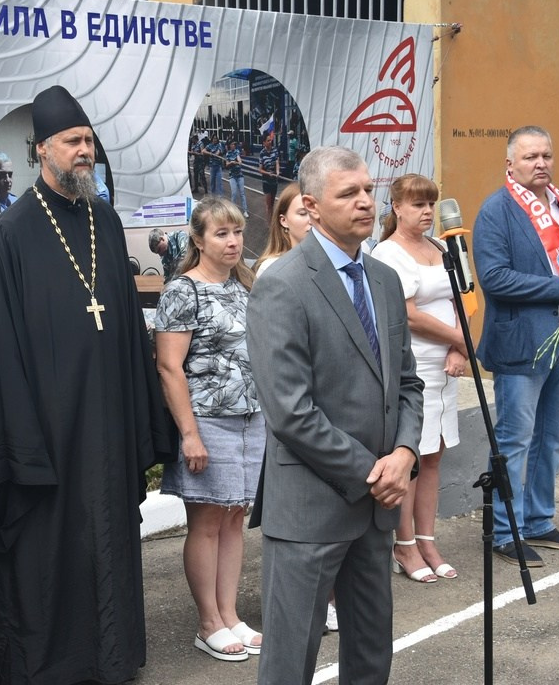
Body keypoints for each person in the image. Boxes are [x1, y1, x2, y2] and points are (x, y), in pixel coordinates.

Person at [0, 85, 173, 685]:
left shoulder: (104, 217)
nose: (85, 152)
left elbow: (125, 328)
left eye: (89, 142)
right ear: (41, 149)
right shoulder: (14, 233)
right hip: (45, 437)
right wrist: (22, 445)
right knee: (51, 553)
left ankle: (113, 656)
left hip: (105, 422)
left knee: (110, 541)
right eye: (72, 142)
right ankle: (52, 667)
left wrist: (138, 421)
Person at [246, 146, 424, 684]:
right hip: (311, 510)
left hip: (375, 510)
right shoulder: (283, 284)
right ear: (312, 205)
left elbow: (408, 383)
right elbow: (291, 413)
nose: (366, 202)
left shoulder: (384, 280)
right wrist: (375, 473)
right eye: (349, 193)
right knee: (289, 663)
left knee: (370, 655)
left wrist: (406, 453)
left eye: (369, 190)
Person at [473, 125, 559, 567]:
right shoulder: (497, 211)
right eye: (530, 157)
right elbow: (495, 279)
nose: (541, 163)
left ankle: (539, 520)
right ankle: (506, 533)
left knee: (553, 436)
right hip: (520, 344)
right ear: (510, 164)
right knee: (515, 439)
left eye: (546, 155)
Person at [153, 197, 264, 663]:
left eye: (237, 231)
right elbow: (169, 367)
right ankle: (207, 622)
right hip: (208, 420)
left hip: (251, 417)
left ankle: (230, 613)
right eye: (221, 233)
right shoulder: (184, 290)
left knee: (235, 516)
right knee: (208, 521)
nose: (233, 241)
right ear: (198, 240)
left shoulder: (245, 285)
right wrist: (190, 434)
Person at [372, 174, 467, 582]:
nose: (427, 212)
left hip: (448, 365)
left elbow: (466, 297)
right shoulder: (387, 253)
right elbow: (406, 314)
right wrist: (459, 339)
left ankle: (427, 538)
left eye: (431, 204)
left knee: (435, 453)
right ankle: (404, 544)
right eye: (417, 205)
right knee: (413, 455)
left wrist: (460, 348)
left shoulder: (445, 246)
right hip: (414, 367)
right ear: (396, 207)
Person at [253, 183, 310, 277]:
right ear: (284, 221)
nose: (312, 220)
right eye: (303, 213)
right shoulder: (270, 269)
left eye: (315, 212)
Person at [258, 136, 280, 221]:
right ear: (264, 143)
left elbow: (277, 162)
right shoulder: (262, 153)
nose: (270, 142)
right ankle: (270, 223)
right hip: (266, 180)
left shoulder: (275, 150)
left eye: (270, 140)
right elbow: (260, 169)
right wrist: (268, 173)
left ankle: (272, 220)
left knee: (272, 203)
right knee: (268, 204)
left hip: (274, 180)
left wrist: (277, 171)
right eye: (268, 141)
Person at [224, 140, 248, 218]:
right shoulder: (228, 154)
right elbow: (226, 164)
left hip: (239, 175)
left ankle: (245, 211)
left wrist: (238, 161)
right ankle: (232, 211)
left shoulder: (237, 151)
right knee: (234, 193)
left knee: (242, 193)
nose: (233, 145)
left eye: (234, 144)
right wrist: (231, 163)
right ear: (229, 145)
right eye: (232, 144)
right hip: (232, 176)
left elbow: (239, 159)